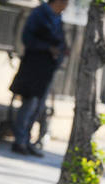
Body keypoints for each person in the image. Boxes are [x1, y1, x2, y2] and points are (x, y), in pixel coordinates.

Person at [9, 0, 69, 158]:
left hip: (47, 69)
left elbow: (62, 42)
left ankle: (27, 140)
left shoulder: (58, 18)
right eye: (65, 2)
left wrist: (60, 54)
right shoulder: (39, 14)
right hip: (33, 67)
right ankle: (20, 140)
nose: (66, 6)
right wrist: (48, 48)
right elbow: (27, 39)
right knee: (29, 104)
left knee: (39, 107)